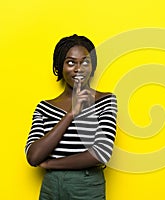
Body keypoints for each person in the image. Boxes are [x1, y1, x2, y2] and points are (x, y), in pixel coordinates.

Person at [25, 34, 117, 200]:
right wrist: (71, 115)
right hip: (51, 187)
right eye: (71, 62)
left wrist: (51, 164)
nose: (78, 68)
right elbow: (33, 156)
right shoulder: (44, 107)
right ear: (60, 66)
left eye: (85, 62)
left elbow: (101, 153)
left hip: (87, 186)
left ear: (92, 66)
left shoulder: (105, 101)